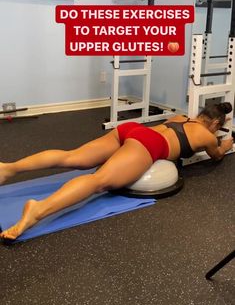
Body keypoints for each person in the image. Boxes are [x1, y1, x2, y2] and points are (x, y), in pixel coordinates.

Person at [0, 102, 233, 241]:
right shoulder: (207, 135)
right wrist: (226, 143)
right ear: (214, 124)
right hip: (148, 146)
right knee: (98, 181)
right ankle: (37, 210)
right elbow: (217, 155)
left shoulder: (180, 117)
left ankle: (8, 169)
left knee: (71, 156)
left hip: (131, 130)